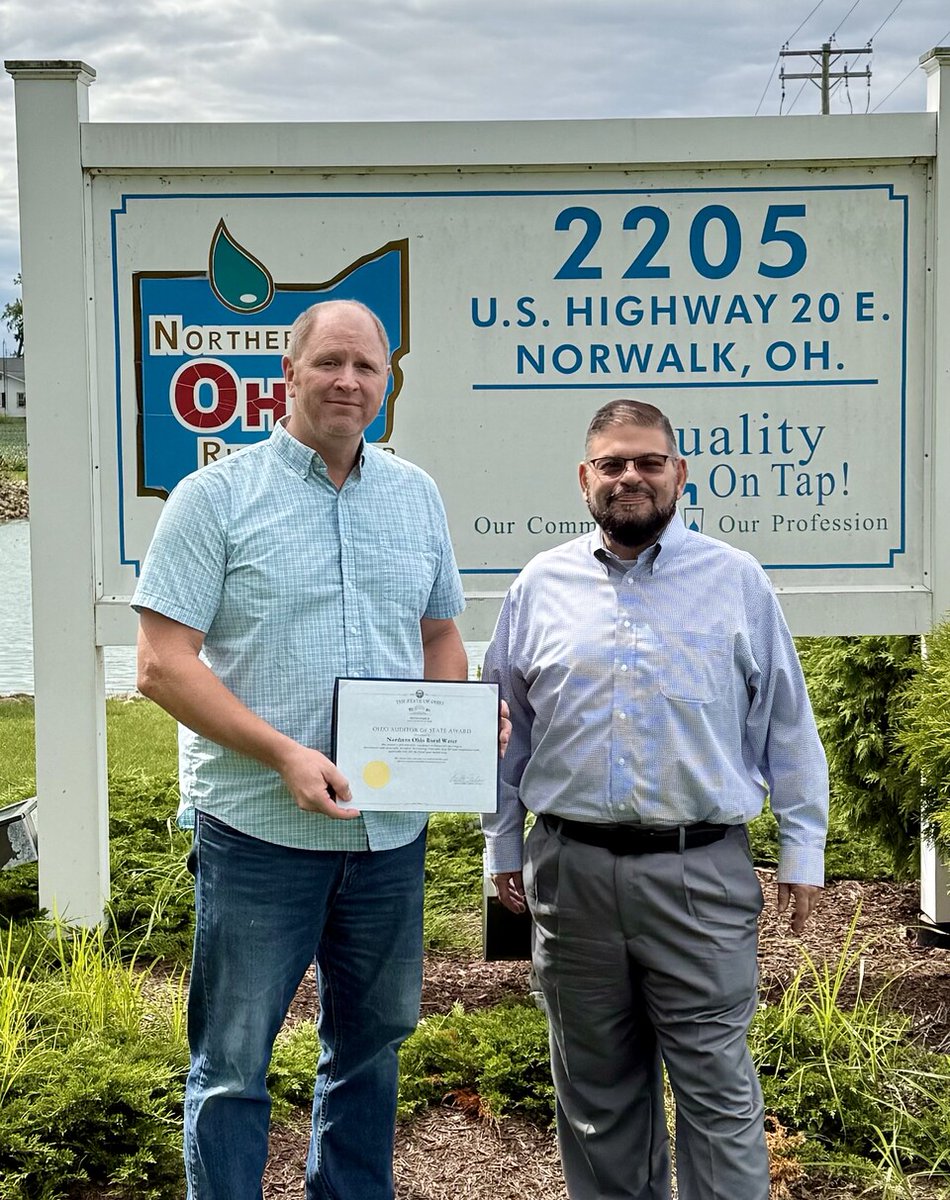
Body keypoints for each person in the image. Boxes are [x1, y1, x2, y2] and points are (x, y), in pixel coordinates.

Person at [133, 299, 481, 1200]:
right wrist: (284, 752)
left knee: (371, 1051)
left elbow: (441, 636)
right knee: (234, 1063)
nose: (349, 382)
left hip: (387, 837)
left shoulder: (417, 495)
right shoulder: (214, 498)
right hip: (257, 833)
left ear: (387, 383)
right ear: (287, 375)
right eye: (329, 362)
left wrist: (452, 728)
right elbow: (162, 666)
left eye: (367, 367)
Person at [482, 399, 828, 1200]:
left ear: (679, 473)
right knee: (597, 1099)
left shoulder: (736, 581)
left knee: (718, 1096)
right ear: (584, 479)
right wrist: (501, 846)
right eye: (612, 464)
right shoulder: (538, 586)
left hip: (699, 874)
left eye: (647, 461)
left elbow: (788, 727)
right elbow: (503, 730)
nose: (629, 477)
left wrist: (802, 854)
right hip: (570, 876)